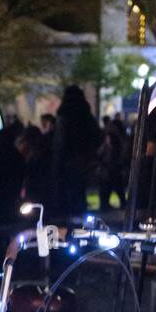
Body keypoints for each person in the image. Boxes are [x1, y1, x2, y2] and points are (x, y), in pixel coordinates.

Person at [50, 84, 102, 215]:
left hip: (68, 162)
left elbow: (59, 142)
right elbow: (97, 136)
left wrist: (56, 165)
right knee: (79, 195)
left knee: (67, 197)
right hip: (83, 161)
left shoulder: (64, 115)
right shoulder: (86, 115)